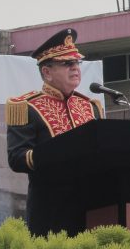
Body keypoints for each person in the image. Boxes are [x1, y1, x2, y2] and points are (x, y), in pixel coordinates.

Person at [6, 28, 104, 237]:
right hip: (50, 211)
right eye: (67, 63)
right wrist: (56, 152)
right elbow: (17, 157)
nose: (75, 67)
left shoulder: (91, 106)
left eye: (77, 62)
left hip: (93, 206)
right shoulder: (26, 107)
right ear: (47, 72)